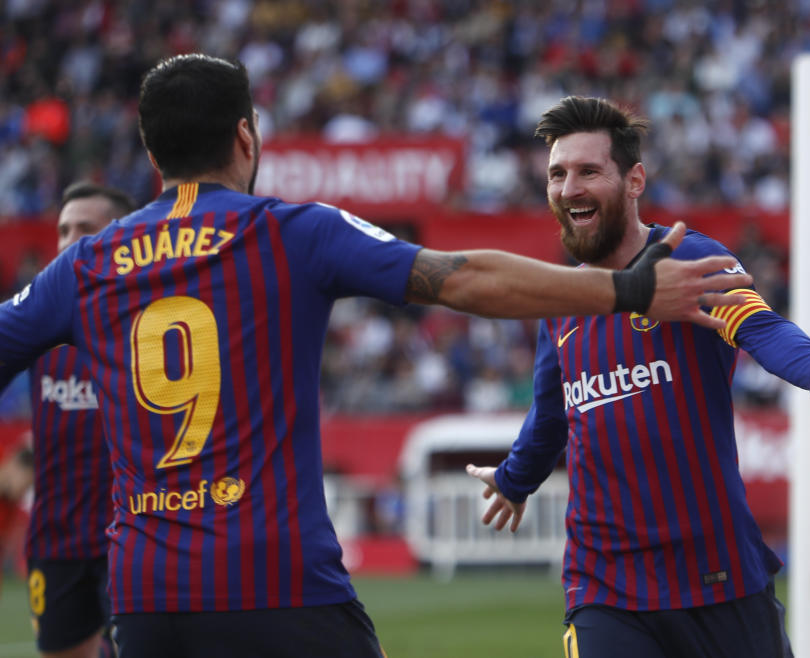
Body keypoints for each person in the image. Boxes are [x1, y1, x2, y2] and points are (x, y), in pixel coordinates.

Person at [0, 55, 754, 658]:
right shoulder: (294, 232)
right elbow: (462, 277)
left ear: (148, 148)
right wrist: (626, 290)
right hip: (281, 586)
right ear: (245, 138)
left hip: (146, 599)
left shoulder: (86, 265)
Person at [466, 96, 810, 658]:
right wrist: (515, 477)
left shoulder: (689, 258)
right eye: (557, 173)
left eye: (588, 171)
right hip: (604, 587)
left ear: (634, 180)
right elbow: (553, 414)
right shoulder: (562, 299)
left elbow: (757, 326)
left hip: (718, 576)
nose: (569, 187)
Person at [22, 182, 135, 658]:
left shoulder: (148, 329)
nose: (69, 241)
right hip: (55, 540)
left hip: (129, 541)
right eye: (63, 230)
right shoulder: (34, 325)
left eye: (85, 229)